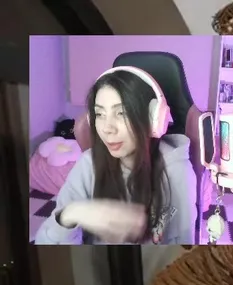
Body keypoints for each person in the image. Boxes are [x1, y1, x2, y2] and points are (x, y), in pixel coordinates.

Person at [34, 66, 196, 245]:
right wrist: (71, 214)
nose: (107, 128)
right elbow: (45, 242)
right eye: (100, 114)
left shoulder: (177, 172)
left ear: (153, 118)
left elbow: (184, 246)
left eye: (121, 113)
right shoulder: (88, 164)